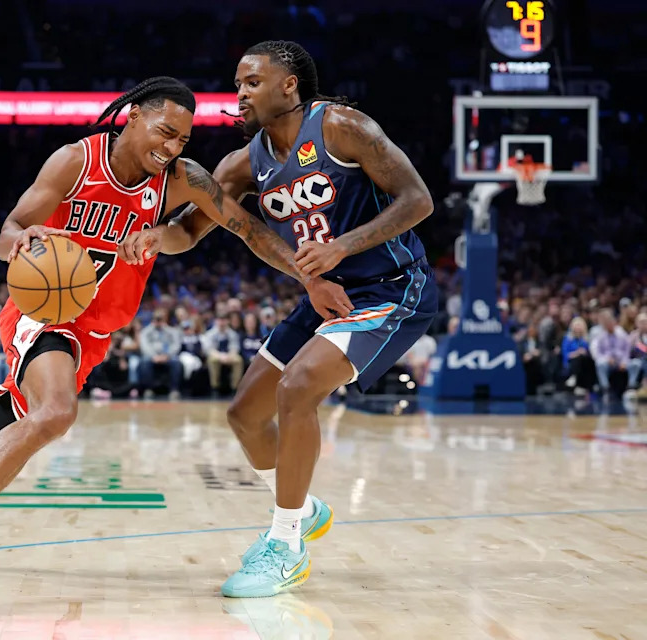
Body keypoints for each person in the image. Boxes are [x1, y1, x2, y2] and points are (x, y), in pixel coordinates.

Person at [0, 76, 349, 583]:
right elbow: (7, 232)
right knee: (56, 413)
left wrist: (302, 275)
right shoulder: (75, 161)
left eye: (183, 140)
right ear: (133, 116)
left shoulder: (182, 178)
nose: (171, 148)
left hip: (93, 333)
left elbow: (244, 229)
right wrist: (21, 238)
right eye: (165, 132)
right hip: (44, 312)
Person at [118, 41, 436, 597]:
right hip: (321, 292)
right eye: (237, 83)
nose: (239, 93)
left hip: (389, 287)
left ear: (289, 85)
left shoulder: (341, 126)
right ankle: (305, 508)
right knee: (244, 416)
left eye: (251, 83)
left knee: (299, 387)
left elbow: (417, 200)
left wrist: (342, 247)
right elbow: (191, 231)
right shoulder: (243, 163)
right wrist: (154, 238)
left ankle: (285, 543)